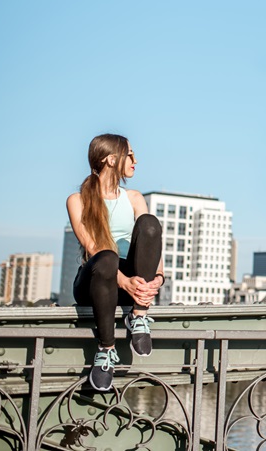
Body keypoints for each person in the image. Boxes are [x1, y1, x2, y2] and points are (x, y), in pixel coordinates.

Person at [66, 134, 165, 391]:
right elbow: (92, 247)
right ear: (111, 159)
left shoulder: (133, 197)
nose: (135, 160)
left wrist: (157, 279)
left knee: (150, 223)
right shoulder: (77, 201)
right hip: (95, 282)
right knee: (107, 256)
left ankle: (139, 316)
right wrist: (125, 283)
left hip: (132, 286)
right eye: (129, 154)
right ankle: (106, 349)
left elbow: (151, 242)